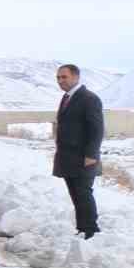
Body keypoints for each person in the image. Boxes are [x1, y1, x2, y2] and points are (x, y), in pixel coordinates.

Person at [53, 63, 105, 240]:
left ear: (76, 77)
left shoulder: (89, 98)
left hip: (84, 158)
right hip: (68, 158)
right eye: (58, 78)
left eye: (64, 77)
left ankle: (91, 230)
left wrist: (91, 155)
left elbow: (97, 129)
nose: (60, 81)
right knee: (75, 194)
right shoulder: (66, 98)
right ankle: (82, 228)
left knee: (83, 193)